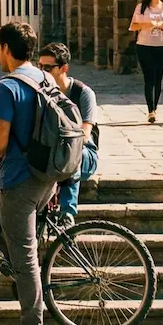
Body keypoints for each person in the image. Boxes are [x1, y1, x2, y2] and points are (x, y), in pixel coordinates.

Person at [0, 22, 57, 325]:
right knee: (27, 253)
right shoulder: (46, 78)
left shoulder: (7, 87)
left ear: (4, 48)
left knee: (25, 258)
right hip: (47, 175)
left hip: (18, 178)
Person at [38, 43, 99, 228]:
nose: (42, 71)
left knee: (74, 152)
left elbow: (85, 135)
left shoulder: (83, 93)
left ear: (64, 68)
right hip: (53, 154)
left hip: (84, 155)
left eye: (47, 67)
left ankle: (67, 213)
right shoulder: (41, 92)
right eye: (39, 66)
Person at [129, 0, 163, 124]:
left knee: (158, 79)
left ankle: (155, 107)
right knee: (149, 79)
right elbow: (133, 26)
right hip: (144, 46)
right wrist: (148, 23)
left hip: (162, 46)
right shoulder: (141, 7)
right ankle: (150, 111)